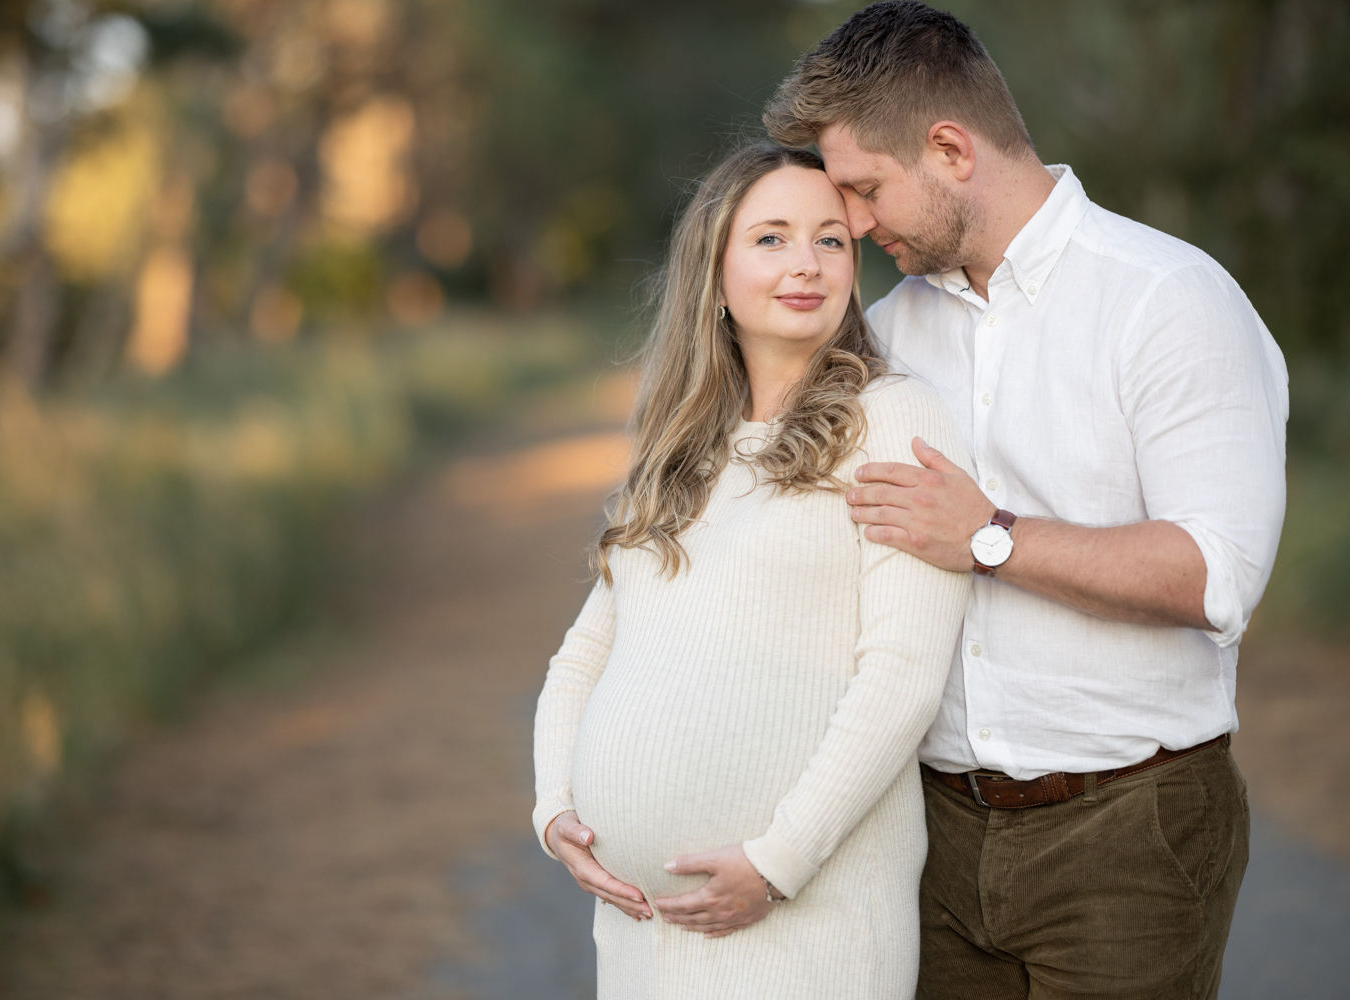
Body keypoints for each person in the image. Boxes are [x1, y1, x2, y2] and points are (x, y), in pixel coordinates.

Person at [763, 3, 1290, 998]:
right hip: (928, 831)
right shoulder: (884, 333)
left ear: (950, 148)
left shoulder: (1168, 300)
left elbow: (1217, 574)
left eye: (867, 191)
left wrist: (990, 537)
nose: (858, 225)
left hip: (1130, 834)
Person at [532, 143, 972, 999]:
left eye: (831, 240)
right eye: (771, 238)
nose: (806, 264)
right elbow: (584, 657)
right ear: (715, 269)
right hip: (642, 934)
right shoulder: (682, 448)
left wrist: (777, 864)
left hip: (802, 923)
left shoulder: (891, 420)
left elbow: (903, 680)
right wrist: (554, 810)